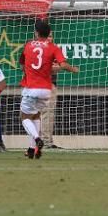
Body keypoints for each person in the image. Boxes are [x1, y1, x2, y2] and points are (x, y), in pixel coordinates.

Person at [17, 19, 79, 160]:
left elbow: (22, 64)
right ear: (48, 34)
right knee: (36, 115)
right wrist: (73, 69)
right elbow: (63, 65)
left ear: (37, 33)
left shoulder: (28, 45)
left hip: (31, 87)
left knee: (24, 117)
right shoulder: (53, 47)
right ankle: (33, 149)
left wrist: (30, 71)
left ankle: (38, 139)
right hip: (46, 89)